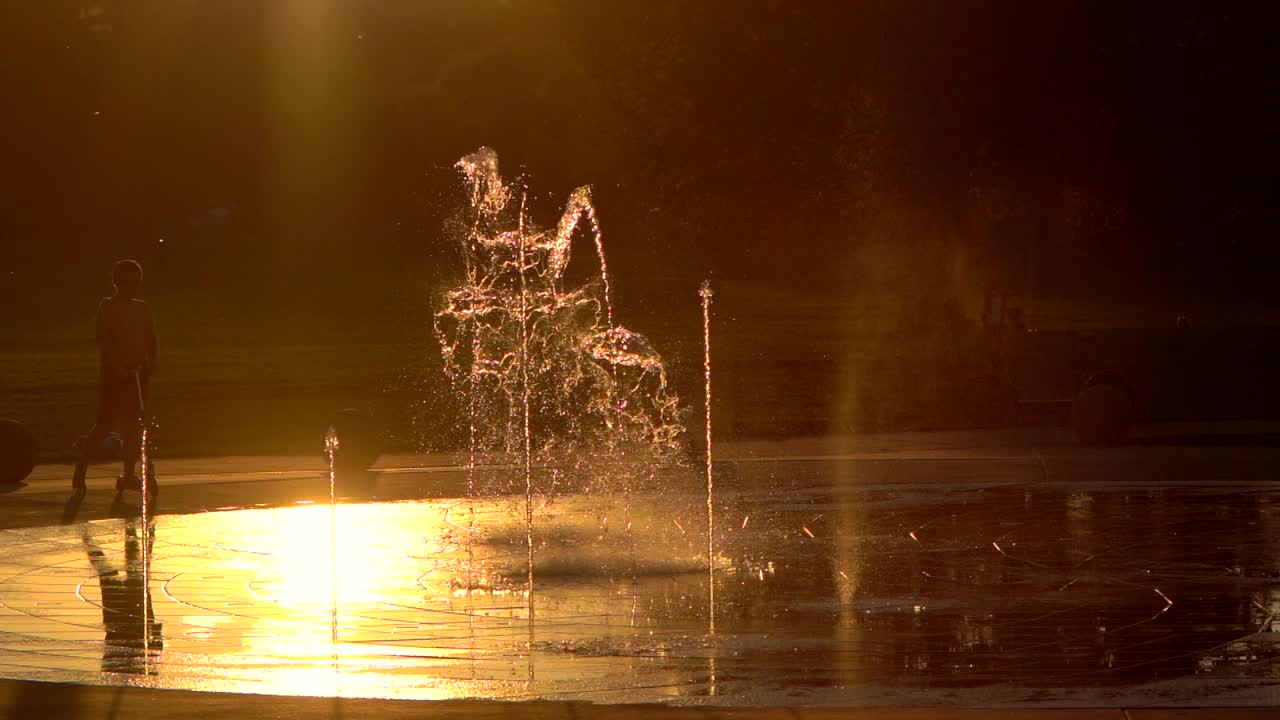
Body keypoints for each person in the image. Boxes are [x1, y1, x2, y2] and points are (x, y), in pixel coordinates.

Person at [72, 260, 158, 495]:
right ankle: (80, 469)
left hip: (138, 375)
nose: (133, 286)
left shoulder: (142, 308)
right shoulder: (107, 306)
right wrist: (115, 365)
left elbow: (151, 339)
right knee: (105, 424)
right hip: (115, 373)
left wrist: (152, 361)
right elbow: (104, 340)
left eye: (136, 281)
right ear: (117, 282)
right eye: (128, 281)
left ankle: (129, 475)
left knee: (133, 427)